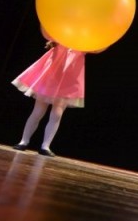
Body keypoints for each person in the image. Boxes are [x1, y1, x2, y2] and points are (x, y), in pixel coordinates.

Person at [12, 29, 100, 157]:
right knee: (38, 111)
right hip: (51, 77)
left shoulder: (84, 42)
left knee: (57, 114)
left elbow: (98, 48)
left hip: (68, 79)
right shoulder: (61, 34)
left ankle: (45, 146)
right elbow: (47, 31)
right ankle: (24, 141)